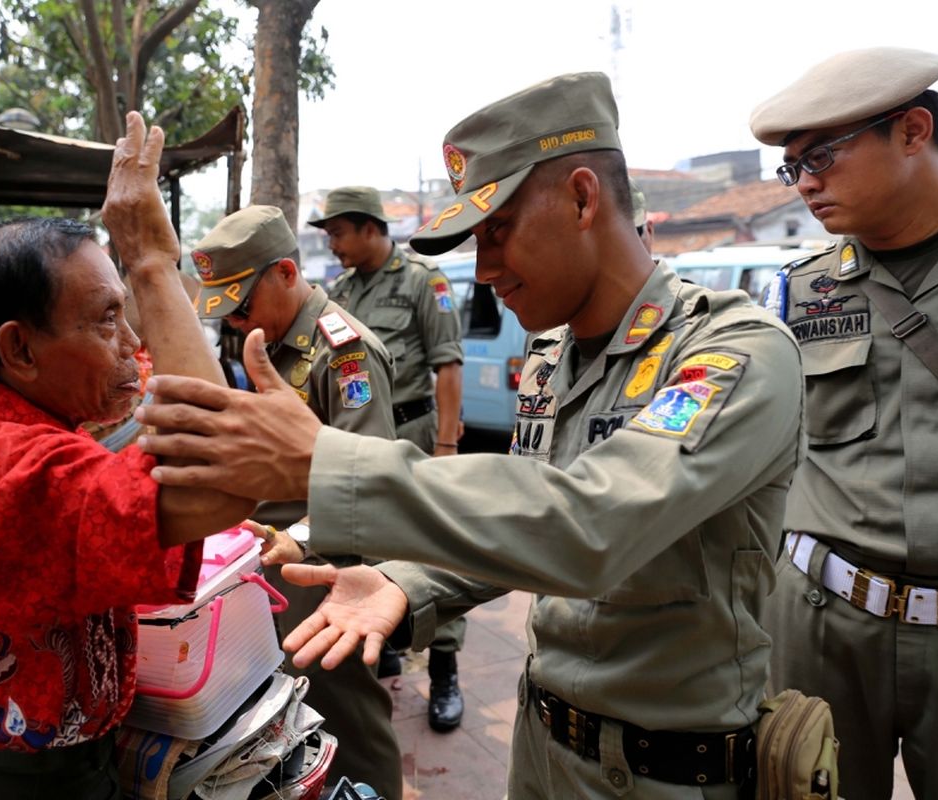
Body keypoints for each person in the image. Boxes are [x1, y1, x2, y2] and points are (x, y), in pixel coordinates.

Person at [133, 71, 805, 799]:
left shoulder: (733, 352)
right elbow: (528, 521)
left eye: (497, 231)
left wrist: (321, 462)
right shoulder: (554, 355)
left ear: (583, 197)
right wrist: (407, 580)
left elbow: (592, 525)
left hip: (671, 771)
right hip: (544, 744)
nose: (484, 271)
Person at [0, 112, 254, 799]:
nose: (133, 343)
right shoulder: (22, 472)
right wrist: (153, 262)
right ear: (20, 349)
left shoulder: (0, 422)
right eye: (106, 318)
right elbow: (227, 475)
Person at [749, 46, 938, 800]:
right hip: (823, 625)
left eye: (822, 156)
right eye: (790, 167)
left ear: (912, 131)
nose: (803, 183)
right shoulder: (797, 296)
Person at [191, 204, 404, 799]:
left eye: (241, 304)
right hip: (274, 557)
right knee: (291, 712)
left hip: (328, 561)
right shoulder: (275, 341)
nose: (234, 322)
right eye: (225, 311)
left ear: (285, 273)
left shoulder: (343, 352)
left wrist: (302, 539)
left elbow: (369, 480)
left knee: (345, 712)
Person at [312, 185, 468, 732]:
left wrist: (447, 447)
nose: (332, 245)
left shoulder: (425, 281)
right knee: (375, 546)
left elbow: (448, 365)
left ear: (370, 228)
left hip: (418, 432)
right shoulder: (342, 291)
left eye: (337, 233)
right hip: (362, 441)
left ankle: (446, 672)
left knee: (436, 550)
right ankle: (390, 649)